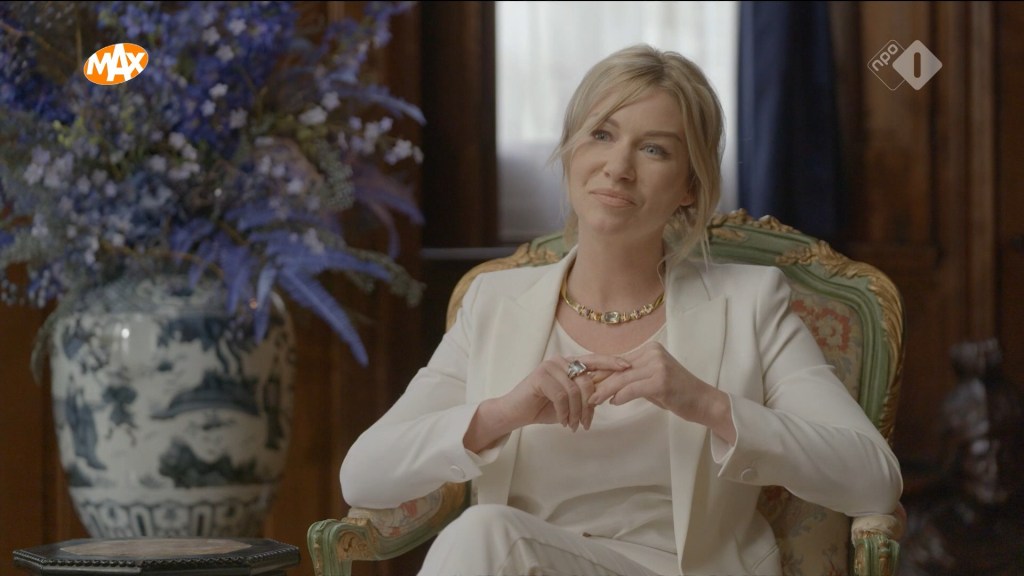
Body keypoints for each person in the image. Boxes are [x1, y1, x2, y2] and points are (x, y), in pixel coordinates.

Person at [340, 43, 903, 576]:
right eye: (601, 135)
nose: (618, 166)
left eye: (654, 149)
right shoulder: (494, 302)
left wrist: (706, 404)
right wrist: (503, 413)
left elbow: (873, 480)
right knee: (485, 532)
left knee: (483, 532)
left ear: (690, 185)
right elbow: (363, 476)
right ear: (570, 152)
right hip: (520, 561)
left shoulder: (751, 303)